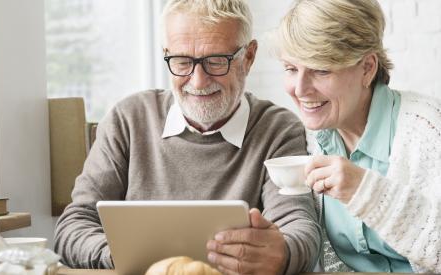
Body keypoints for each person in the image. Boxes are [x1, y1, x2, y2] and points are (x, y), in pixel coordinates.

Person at [54, 0, 321, 274]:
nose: (198, 81)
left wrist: (282, 254)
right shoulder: (128, 119)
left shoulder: (278, 129)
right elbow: (73, 226)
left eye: (216, 61)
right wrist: (123, 255)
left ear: (249, 57)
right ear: (166, 54)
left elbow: (299, 229)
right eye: (182, 62)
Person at [275, 0, 441, 273]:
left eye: (321, 69)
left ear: (367, 68)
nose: (300, 89)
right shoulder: (311, 140)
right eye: (291, 69)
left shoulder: (428, 131)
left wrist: (366, 191)